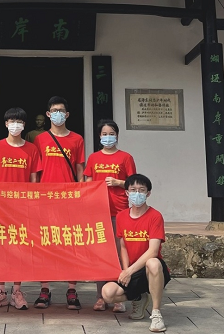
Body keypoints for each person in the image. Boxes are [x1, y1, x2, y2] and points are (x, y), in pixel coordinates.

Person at [33, 96, 85, 310]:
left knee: (71, 244)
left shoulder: (77, 139)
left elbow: (80, 169)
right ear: (48, 114)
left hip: (69, 199)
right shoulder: (40, 139)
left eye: (61, 111)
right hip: (45, 200)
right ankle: (44, 289)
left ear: (67, 114)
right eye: (54, 110)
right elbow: (36, 171)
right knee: (45, 244)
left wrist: (81, 194)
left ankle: (71, 289)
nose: (58, 114)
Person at [0, 107, 41, 310]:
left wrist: (32, 206)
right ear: (5, 124)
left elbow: (34, 180)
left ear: (24, 125)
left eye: (19, 122)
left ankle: (17, 291)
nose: (15, 125)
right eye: (11, 121)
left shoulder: (32, 149)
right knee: (1, 248)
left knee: (20, 248)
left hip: (23, 207)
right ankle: (0, 291)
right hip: (1, 207)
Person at [101, 174, 171, 332]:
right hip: (132, 269)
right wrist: (126, 270)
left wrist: (129, 271)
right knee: (107, 293)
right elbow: (123, 247)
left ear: (148, 193)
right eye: (133, 190)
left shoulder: (155, 216)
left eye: (141, 190)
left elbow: (153, 251)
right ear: (127, 192)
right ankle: (138, 297)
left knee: (153, 263)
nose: (137, 194)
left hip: (150, 270)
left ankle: (156, 314)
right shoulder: (121, 216)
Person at [84, 119, 137, 313]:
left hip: (119, 211)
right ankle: (100, 297)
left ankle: (118, 297)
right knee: (100, 254)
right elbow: (88, 183)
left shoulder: (126, 157)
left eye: (111, 134)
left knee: (118, 254)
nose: (108, 137)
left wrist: (118, 182)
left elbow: (134, 183)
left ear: (117, 135)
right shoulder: (93, 158)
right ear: (99, 136)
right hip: (98, 212)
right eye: (104, 134)